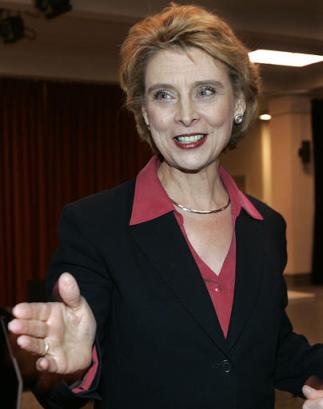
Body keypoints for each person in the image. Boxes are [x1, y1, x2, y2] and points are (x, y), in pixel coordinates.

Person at [7, 3, 323, 409]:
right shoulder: (94, 224)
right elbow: (62, 380)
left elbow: (273, 345)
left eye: (206, 91)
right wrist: (72, 368)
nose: (186, 115)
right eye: (164, 96)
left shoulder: (266, 226)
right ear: (144, 111)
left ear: (239, 103)